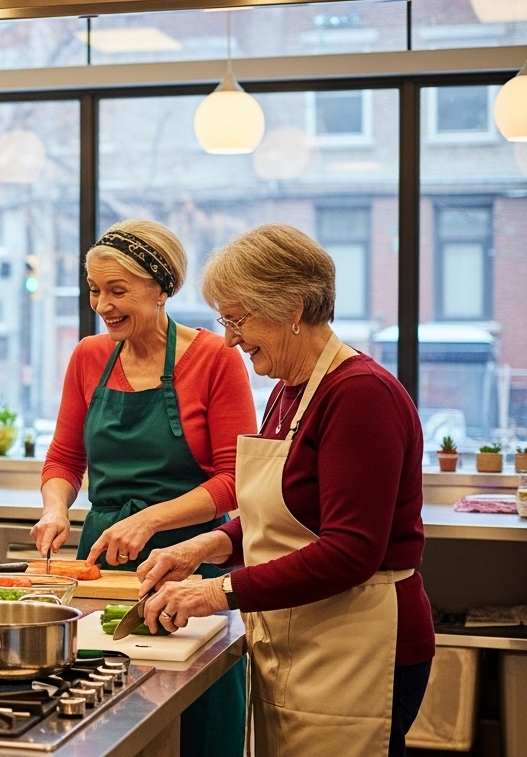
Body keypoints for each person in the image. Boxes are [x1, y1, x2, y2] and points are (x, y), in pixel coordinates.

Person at [139, 223, 434, 757]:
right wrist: (203, 546)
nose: (230, 338)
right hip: (303, 636)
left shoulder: (359, 395)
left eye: (238, 318)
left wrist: (214, 592)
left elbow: (351, 551)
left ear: (293, 307)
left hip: (361, 646)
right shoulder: (289, 391)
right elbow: (285, 512)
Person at [31, 220, 253, 756]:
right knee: (101, 711)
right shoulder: (88, 356)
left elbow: (236, 480)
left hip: (194, 561)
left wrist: (152, 519)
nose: (102, 305)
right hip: (102, 563)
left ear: (161, 288)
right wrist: (56, 508)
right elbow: (65, 458)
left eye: (117, 291)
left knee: (198, 713)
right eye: (94, 291)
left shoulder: (216, 359)